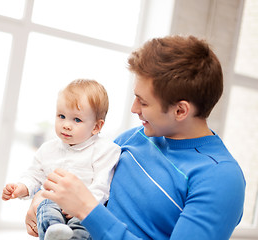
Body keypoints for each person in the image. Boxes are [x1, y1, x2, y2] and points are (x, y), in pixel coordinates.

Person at [25, 35, 246, 239]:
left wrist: (87, 209)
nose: (134, 108)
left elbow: (87, 206)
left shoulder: (220, 179)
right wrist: (42, 202)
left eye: (144, 101)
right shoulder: (134, 137)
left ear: (180, 111)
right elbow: (86, 186)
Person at [2, 79, 121, 240]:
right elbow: (35, 175)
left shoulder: (104, 150)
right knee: (45, 204)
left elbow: (101, 186)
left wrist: (80, 207)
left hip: (83, 209)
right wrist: (22, 187)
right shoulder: (48, 149)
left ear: (96, 127)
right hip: (53, 205)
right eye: (61, 116)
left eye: (76, 119)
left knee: (85, 225)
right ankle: (55, 232)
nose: (66, 125)